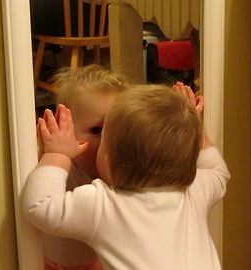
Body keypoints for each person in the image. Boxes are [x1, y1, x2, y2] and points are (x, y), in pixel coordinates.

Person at [23, 83, 230, 269]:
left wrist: (57, 154)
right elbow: (218, 172)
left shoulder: (103, 204)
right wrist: (192, 128)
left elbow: (39, 205)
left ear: (110, 159)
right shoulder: (194, 190)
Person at [37, 65, 128, 270]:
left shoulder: (127, 171)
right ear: (65, 129)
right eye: (97, 130)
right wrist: (52, 150)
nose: (109, 140)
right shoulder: (61, 166)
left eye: (118, 128)